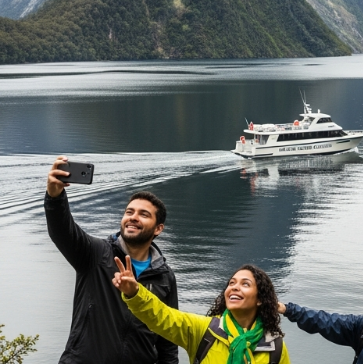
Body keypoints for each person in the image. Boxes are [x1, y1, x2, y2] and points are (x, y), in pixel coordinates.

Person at [45, 156, 178, 363]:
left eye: (144, 214)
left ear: (158, 228)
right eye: (129, 212)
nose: (133, 217)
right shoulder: (95, 253)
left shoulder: (164, 276)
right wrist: (55, 197)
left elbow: (168, 340)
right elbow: (62, 231)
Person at [113, 260, 290, 364]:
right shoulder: (204, 331)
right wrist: (135, 293)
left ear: (260, 299)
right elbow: (162, 316)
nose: (235, 288)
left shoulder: (275, 347)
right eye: (231, 283)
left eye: (245, 284)